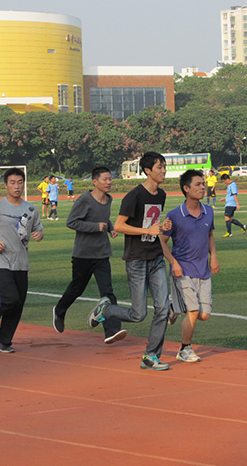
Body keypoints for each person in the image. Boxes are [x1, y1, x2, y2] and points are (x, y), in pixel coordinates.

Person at [87, 152, 173, 371]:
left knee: (163, 309)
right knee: (138, 314)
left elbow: (152, 223)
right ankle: (105, 310)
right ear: (147, 171)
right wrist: (147, 230)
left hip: (156, 258)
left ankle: (150, 356)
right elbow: (119, 226)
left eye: (164, 166)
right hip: (136, 259)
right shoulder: (134, 196)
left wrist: (161, 228)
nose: (163, 170)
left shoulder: (160, 195)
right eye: (159, 167)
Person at [53, 167, 127, 344]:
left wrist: (109, 228)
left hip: (102, 254)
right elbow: (71, 222)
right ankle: (60, 310)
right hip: (83, 255)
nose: (109, 182)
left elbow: (102, 217)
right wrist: (96, 227)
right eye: (105, 179)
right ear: (95, 181)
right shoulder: (85, 199)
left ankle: (111, 330)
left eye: (110, 179)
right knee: (77, 288)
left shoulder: (108, 199)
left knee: (107, 293)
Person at [0, 167, 44, 353]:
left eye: (20, 182)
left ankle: (2, 341)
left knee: (18, 304)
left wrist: (39, 234)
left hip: (21, 262)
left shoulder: (30, 208)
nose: (17, 186)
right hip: (1, 262)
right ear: (6, 185)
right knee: (9, 299)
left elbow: (38, 229)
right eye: (12, 182)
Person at [160, 170, 220, 363]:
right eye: (198, 184)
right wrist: (174, 263)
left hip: (203, 270)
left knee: (204, 315)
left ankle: (173, 306)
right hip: (182, 271)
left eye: (203, 184)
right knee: (193, 311)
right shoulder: (174, 215)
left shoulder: (208, 211)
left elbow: (210, 235)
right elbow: (162, 242)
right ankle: (185, 349)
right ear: (186, 189)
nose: (203, 187)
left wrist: (214, 257)